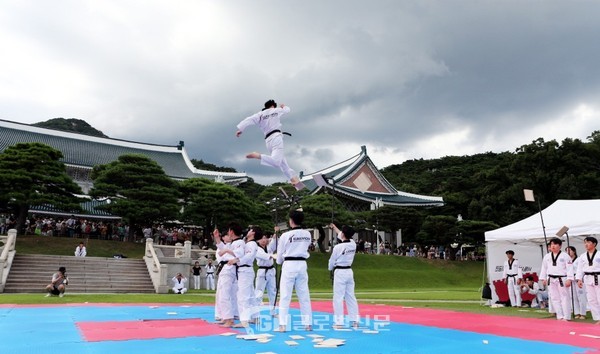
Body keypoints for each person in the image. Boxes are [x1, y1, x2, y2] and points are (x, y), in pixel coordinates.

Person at [236, 99, 302, 189]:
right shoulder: (276, 110)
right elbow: (287, 110)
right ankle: (258, 155)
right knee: (276, 162)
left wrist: (241, 129)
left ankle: (297, 184)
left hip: (268, 141)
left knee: (284, 165)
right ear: (273, 106)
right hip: (276, 137)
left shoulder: (260, 114)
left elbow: (248, 120)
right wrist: (283, 106)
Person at [276, 209, 313, 332]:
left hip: (289, 264)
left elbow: (280, 254)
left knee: (285, 295)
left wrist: (279, 262)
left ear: (291, 221)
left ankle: (282, 324)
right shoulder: (307, 234)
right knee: (304, 295)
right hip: (302, 264)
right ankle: (307, 324)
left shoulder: (285, 235)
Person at [328, 223, 360, 328]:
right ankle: (355, 320)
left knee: (338, 297)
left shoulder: (338, 247)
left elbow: (332, 261)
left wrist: (330, 269)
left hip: (340, 272)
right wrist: (335, 227)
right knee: (350, 296)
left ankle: (339, 322)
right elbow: (341, 234)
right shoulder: (353, 244)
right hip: (349, 271)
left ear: (343, 235)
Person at [214, 223, 245, 327]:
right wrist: (217, 238)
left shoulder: (240, 242)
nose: (228, 233)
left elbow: (239, 254)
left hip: (229, 269)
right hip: (226, 268)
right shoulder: (233, 243)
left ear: (231, 231)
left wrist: (227, 250)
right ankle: (225, 317)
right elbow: (223, 248)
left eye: (228, 231)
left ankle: (229, 319)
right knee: (223, 294)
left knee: (225, 294)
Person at [229, 226, 260, 328]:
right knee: (250, 295)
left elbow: (248, 256)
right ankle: (255, 317)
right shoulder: (247, 243)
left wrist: (237, 260)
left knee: (243, 296)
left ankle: (244, 321)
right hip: (245, 270)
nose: (248, 231)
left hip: (245, 270)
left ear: (253, 233)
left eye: (250, 230)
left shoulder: (252, 244)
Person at [540, 238, 573, 321]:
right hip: (550, 278)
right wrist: (543, 278)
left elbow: (570, 268)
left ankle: (567, 316)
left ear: (560, 246)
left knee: (564, 297)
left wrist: (569, 279)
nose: (553, 246)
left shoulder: (565, 256)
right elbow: (544, 268)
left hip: (562, 278)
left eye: (555, 244)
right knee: (554, 298)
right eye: (551, 244)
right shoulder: (547, 256)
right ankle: (559, 315)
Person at [576, 236, 600, 324]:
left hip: (598, 277)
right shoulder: (582, 256)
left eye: (588, 242)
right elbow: (579, 269)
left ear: (594, 244)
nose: (586, 244)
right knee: (591, 299)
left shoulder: (599, 254)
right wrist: (579, 279)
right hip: (587, 278)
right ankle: (597, 318)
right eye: (585, 242)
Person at [254, 230, 277, 317]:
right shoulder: (257, 249)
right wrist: (273, 256)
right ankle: (256, 314)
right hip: (262, 272)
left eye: (265, 238)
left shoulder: (269, 247)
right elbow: (264, 256)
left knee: (273, 292)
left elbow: (274, 244)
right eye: (261, 238)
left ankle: (273, 312)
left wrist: (275, 234)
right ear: (258, 240)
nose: (264, 240)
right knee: (259, 293)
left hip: (271, 271)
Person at [567, 246, 587, 319]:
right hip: (571, 280)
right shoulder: (568, 260)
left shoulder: (579, 259)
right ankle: (577, 312)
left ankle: (583, 313)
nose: (568, 252)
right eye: (566, 251)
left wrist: (579, 278)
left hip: (579, 279)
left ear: (574, 251)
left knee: (581, 297)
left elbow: (582, 270)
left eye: (569, 250)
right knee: (573, 297)